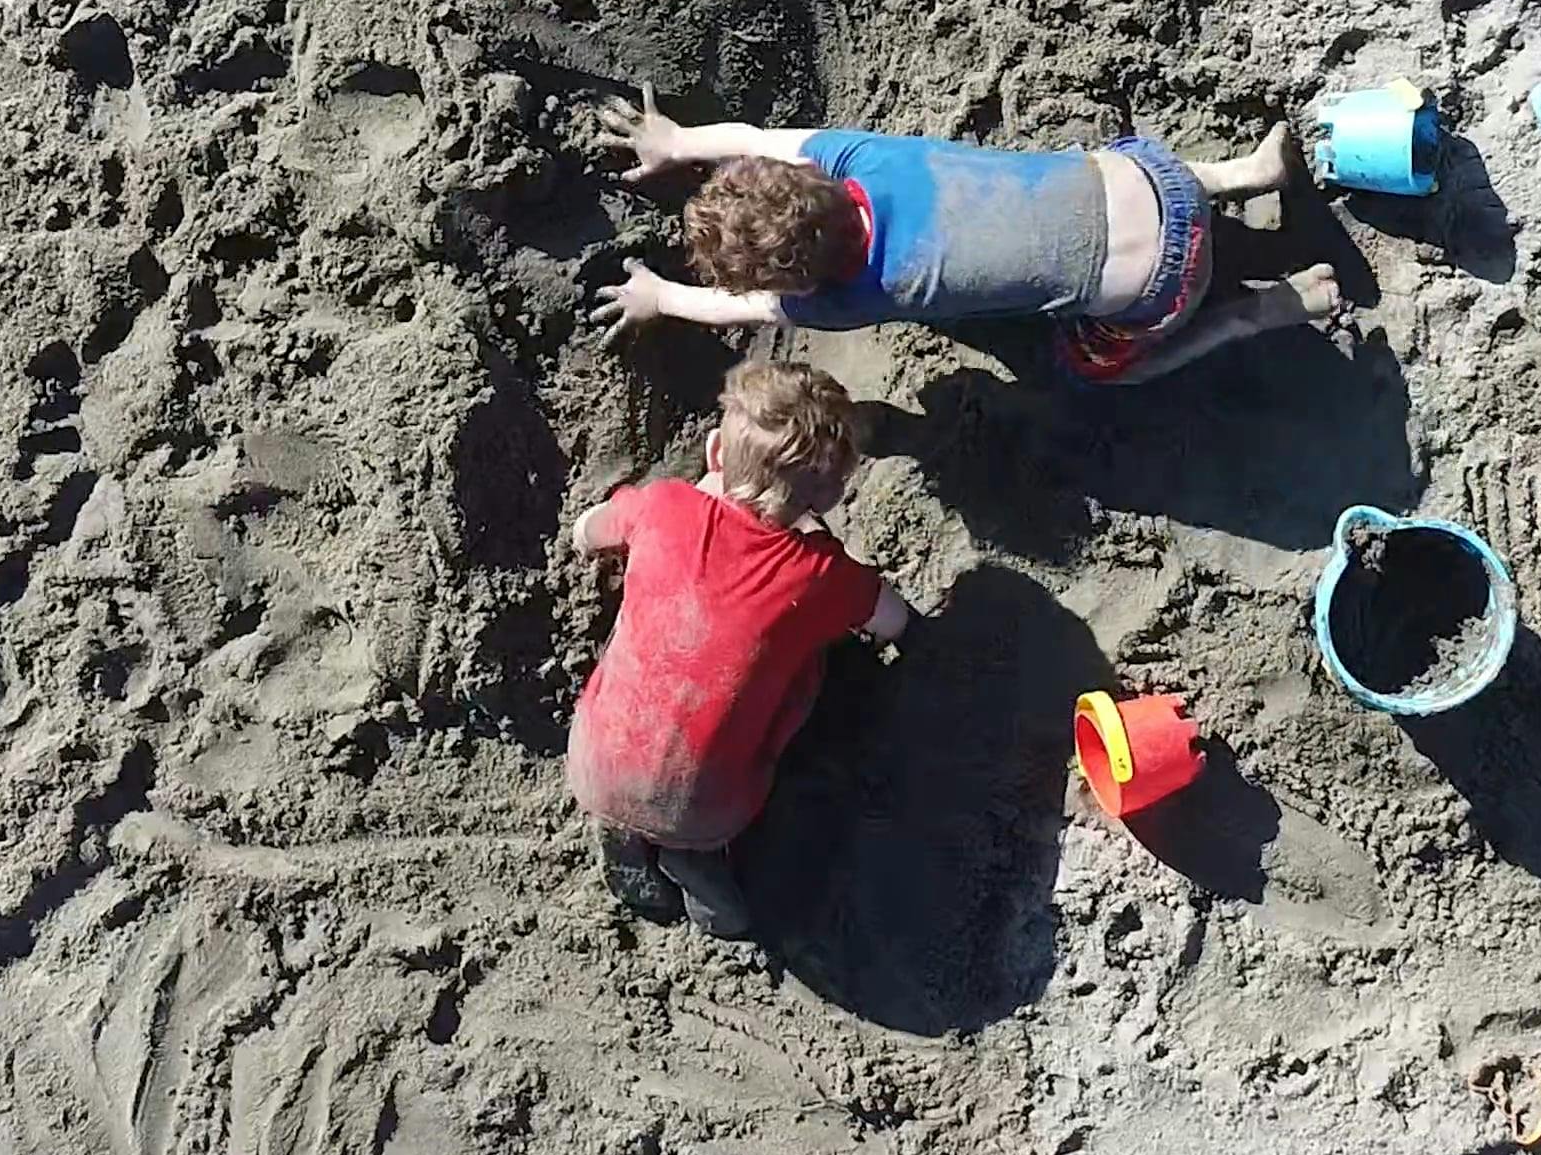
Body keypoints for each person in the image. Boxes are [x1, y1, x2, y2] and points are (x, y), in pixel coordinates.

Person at [582, 99, 1342, 384]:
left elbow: (737, 313)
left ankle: (1255, 313)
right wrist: (679, 141)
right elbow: (753, 136)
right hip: (1162, 176)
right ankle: (1247, 173)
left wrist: (658, 296)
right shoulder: (852, 158)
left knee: (1101, 371)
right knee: (1085, 171)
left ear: (799, 283)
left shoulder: (852, 298)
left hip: (1168, 289)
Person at [567, 358, 916, 937]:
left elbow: (588, 531)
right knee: (805, 669)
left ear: (713, 453)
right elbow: (894, 622)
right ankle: (698, 866)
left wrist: (594, 533)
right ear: (824, 502)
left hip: (597, 762)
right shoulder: (820, 574)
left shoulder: (661, 506)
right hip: (706, 805)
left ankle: (624, 842)